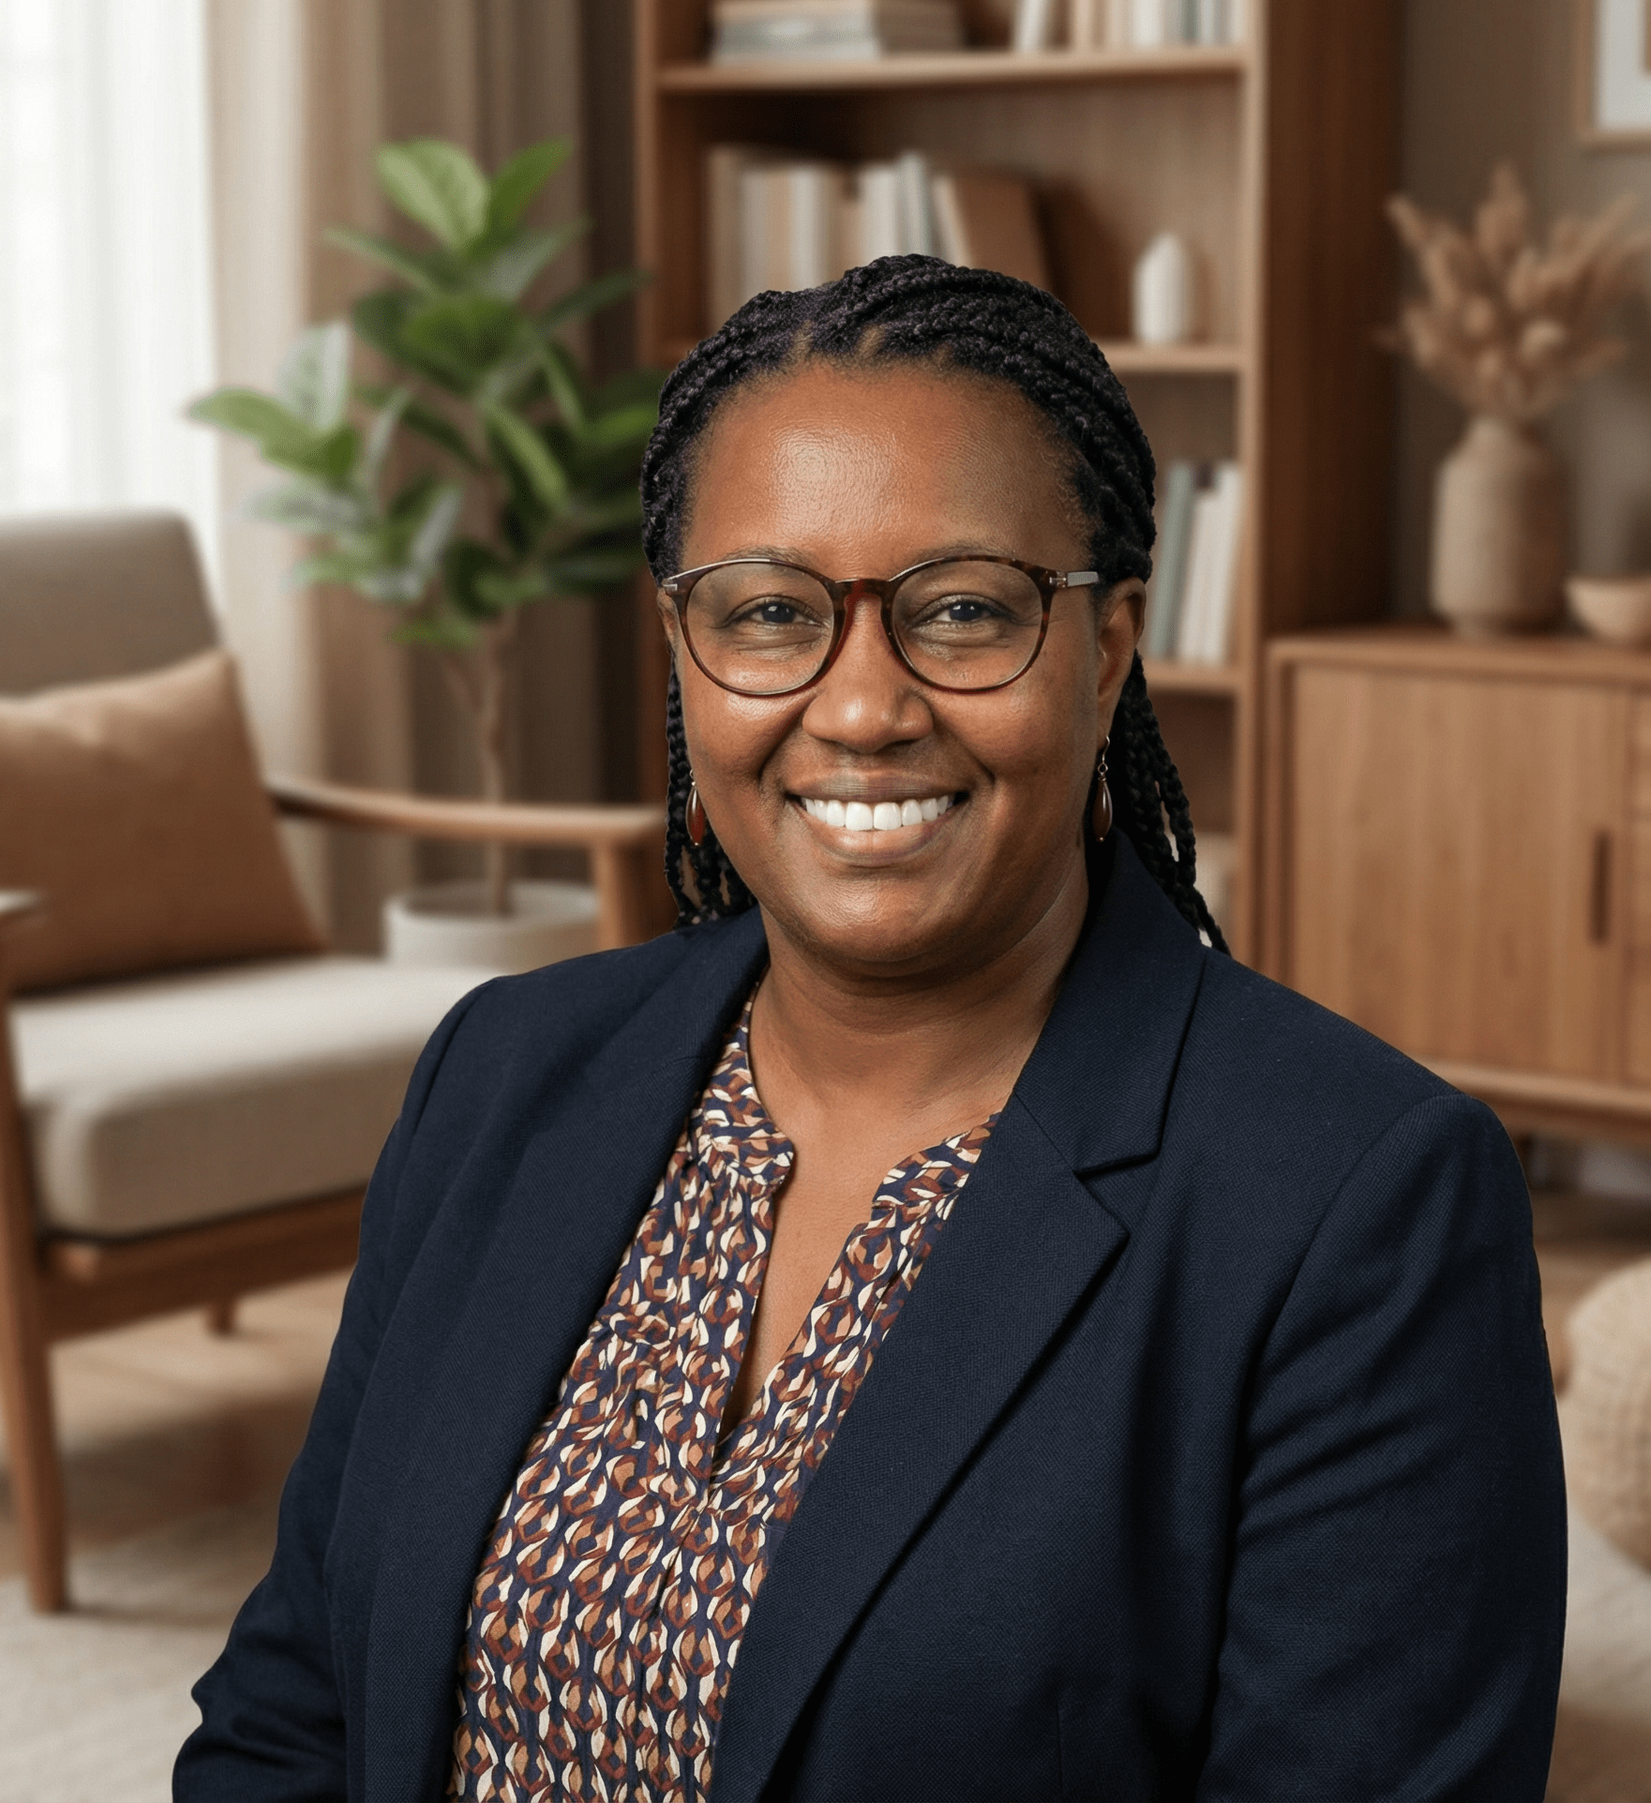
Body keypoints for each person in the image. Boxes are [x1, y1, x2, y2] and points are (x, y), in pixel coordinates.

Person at [177, 256, 1565, 1802]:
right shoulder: (502, 1073)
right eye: (771, 613)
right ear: (685, 650)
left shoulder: (1361, 1206)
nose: (861, 708)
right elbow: (298, 1696)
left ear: (1107, 651)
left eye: (964, 611)